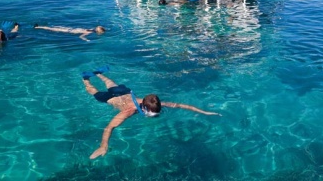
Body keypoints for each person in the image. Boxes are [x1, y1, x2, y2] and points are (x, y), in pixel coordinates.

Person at [81, 66, 220, 159]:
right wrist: (103, 146)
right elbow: (109, 127)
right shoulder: (129, 111)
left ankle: (99, 73)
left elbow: (181, 105)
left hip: (124, 92)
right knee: (93, 91)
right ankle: (86, 78)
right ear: (145, 108)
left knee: (111, 85)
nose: (155, 115)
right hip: (111, 99)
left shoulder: (152, 103)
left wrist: (205, 112)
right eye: (153, 114)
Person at [33, 24, 105, 41]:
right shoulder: (90, 32)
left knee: (55, 27)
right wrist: (87, 40)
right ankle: (37, 27)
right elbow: (80, 36)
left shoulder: (91, 29)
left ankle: (39, 26)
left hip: (71, 29)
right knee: (51, 29)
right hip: (69, 31)